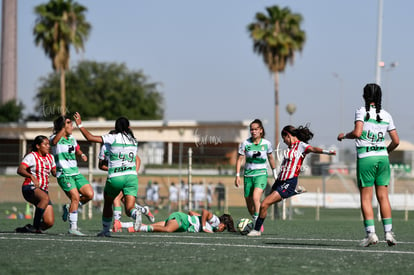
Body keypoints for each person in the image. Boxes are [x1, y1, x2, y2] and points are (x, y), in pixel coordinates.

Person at [337, 83, 399, 247]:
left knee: (366, 197)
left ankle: (371, 234)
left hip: (366, 157)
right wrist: (385, 151)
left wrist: (344, 136)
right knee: (383, 197)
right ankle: (389, 233)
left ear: (365, 96)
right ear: (380, 96)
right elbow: (396, 141)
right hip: (382, 157)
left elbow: (357, 133)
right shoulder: (387, 115)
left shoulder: (361, 111)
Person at [73, 112, 154, 237]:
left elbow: (90, 137)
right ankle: (136, 213)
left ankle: (105, 231)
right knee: (129, 208)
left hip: (116, 176)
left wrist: (80, 125)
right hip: (132, 177)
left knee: (108, 202)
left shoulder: (113, 137)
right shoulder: (134, 141)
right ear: (128, 128)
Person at [248, 124, 336, 237]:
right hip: (280, 181)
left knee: (264, 204)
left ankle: (256, 230)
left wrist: (327, 152)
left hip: (289, 181)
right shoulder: (290, 148)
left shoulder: (301, 146)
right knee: (266, 204)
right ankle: (293, 192)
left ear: (288, 135)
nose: (283, 142)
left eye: (283, 138)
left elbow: (314, 149)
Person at [50, 116, 94, 236]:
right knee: (75, 197)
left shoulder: (72, 138)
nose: (72, 126)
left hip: (76, 173)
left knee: (89, 194)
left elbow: (77, 149)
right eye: (69, 123)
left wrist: (82, 154)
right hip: (64, 174)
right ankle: (73, 228)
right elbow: (53, 143)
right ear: (63, 126)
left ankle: (69, 207)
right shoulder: (54, 138)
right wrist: (63, 129)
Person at [235, 119, 277, 230]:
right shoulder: (245, 143)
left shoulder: (266, 144)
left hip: (261, 174)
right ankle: (255, 218)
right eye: (251, 129)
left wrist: (275, 173)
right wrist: (237, 175)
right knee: (249, 204)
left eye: (256, 129)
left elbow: (270, 158)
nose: (253, 131)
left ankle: (258, 224)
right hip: (248, 175)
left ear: (261, 130)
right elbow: (239, 159)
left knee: (255, 197)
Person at [15, 135, 56, 233]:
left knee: (49, 222)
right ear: (38, 146)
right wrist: (31, 176)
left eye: (48, 144)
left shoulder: (51, 158)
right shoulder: (31, 156)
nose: (48, 146)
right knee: (45, 198)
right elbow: (20, 169)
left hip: (43, 191)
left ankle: (28, 229)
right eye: (45, 144)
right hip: (29, 188)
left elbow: (55, 172)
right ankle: (36, 227)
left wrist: (62, 170)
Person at [134, 208, 236, 233]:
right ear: (223, 224)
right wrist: (204, 227)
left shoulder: (212, 225)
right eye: (224, 228)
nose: (222, 230)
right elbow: (205, 211)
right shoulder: (216, 221)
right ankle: (139, 227)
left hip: (183, 220)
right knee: (168, 230)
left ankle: (125, 225)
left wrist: (199, 219)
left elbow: (191, 212)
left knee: (152, 227)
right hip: (183, 220)